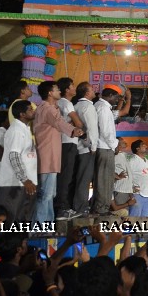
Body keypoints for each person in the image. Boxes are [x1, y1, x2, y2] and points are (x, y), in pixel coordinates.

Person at [33, 80, 84, 223]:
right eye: (56, 89)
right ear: (50, 93)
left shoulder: (49, 108)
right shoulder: (48, 109)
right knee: (46, 193)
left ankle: (47, 223)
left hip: (50, 155)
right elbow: (59, 122)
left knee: (49, 193)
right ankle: (41, 225)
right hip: (47, 155)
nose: (59, 91)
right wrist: (73, 130)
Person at [0, 100, 39, 224]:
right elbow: (14, 156)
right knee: (10, 220)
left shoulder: (25, 128)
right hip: (14, 184)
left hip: (25, 184)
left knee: (21, 221)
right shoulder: (16, 130)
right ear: (22, 114)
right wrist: (25, 179)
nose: (33, 111)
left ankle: (18, 243)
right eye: (30, 109)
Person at [55, 76, 84, 219]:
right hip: (67, 141)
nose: (75, 88)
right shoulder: (66, 103)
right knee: (65, 177)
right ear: (67, 90)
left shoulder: (61, 103)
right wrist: (80, 128)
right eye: (72, 86)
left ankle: (62, 207)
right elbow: (78, 123)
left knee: (64, 176)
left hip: (64, 142)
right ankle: (62, 209)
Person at [93, 85, 122, 215]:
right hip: (105, 147)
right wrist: (115, 144)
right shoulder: (103, 108)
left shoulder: (103, 107)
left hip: (105, 146)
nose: (117, 100)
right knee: (104, 180)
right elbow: (106, 131)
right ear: (110, 95)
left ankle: (102, 207)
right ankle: (101, 208)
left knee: (105, 179)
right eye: (116, 97)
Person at [73, 81, 98, 215]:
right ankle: (81, 207)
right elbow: (91, 128)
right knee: (84, 178)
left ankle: (79, 206)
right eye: (92, 89)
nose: (94, 91)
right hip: (87, 148)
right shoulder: (87, 107)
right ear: (87, 93)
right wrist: (93, 146)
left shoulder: (77, 105)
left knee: (81, 177)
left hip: (80, 146)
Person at [128, 140, 148, 218]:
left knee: (144, 222)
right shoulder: (133, 160)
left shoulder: (146, 161)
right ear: (137, 148)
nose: (146, 146)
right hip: (137, 194)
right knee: (134, 221)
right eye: (143, 145)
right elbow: (127, 176)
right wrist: (131, 190)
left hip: (147, 195)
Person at [111, 138, 137, 217]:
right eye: (123, 142)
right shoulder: (113, 155)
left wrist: (130, 192)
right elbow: (109, 170)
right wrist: (117, 176)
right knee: (120, 214)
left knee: (125, 217)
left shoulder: (124, 155)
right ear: (117, 144)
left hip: (127, 191)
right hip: (120, 190)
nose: (126, 143)